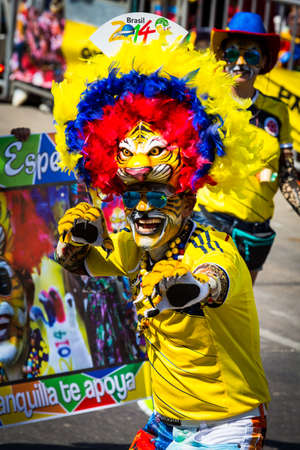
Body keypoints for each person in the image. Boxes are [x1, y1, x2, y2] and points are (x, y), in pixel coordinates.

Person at [53, 30, 270, 448]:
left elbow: (212, 279)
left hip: (226, 428)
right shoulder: (139, 246)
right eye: (131, 196)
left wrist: (182, 287)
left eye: (156, 195)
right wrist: (78, 238)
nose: (141, 209)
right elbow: (73, 264)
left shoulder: (212, 246)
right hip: (166, 423)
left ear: (187, 200)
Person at [194, 11, 300, 284]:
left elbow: (286, 173)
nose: (240, 64)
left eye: (250, 56)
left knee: (239, 306)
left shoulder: (277, 113)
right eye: (232, 54)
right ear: (222, 59)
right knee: (206, 302)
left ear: (263, 61)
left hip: (255, 230)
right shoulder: (207, 107)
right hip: (210, 220)